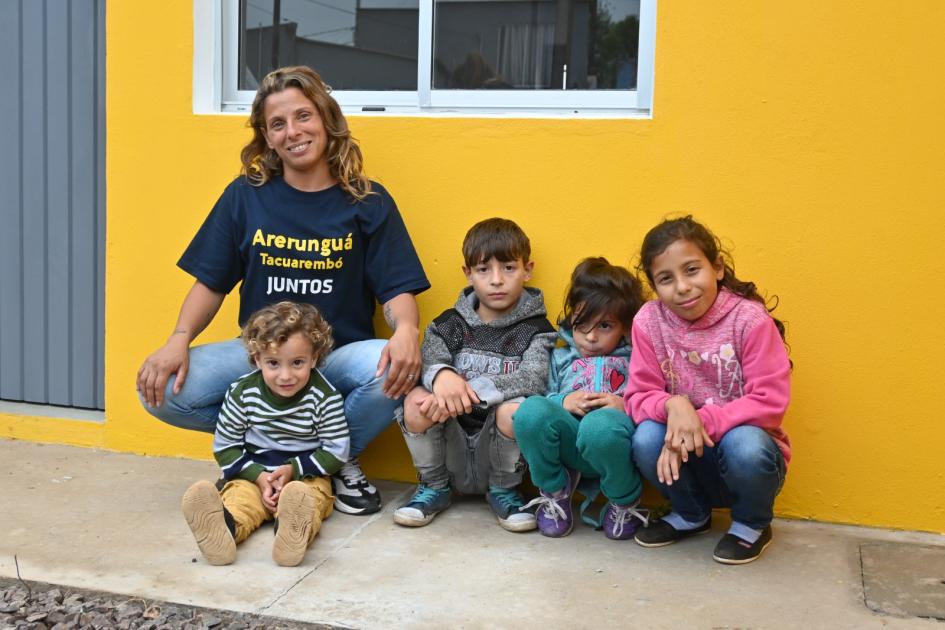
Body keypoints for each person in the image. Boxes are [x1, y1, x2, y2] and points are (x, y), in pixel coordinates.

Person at [136, 66, 429, 516]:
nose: (293, 132)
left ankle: (330, 457)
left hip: (335, 359)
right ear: (267, 138)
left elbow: (396, 287)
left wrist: (407, 327)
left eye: (303, 116)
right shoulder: (246, 197)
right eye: (278, 124)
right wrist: (179, 339)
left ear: (326, 119)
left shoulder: (368, 201)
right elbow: (211, 283)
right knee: (162, 391)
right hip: (262, 358)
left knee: (391, 365)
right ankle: (267, 451)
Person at [626, 215, 791, 564]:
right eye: (666, 279)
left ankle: (751, 523)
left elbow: (769, 403)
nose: (682, 287)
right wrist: (674, 406)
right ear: (654, 286)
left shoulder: (749, 320)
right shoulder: (648, 321)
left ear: (716, 267)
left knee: (745, 444)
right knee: (644, 437)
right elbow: (638, 396)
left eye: (691, 270)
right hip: (686, 458)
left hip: (744, 459)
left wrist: (698, 421)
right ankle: (690, 513)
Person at [392, 218, 557, 531]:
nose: (496, 280)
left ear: (528, 269)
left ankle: (505, 491)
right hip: (449, 442)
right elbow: (428, 361)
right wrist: (442, 379)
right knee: (416, 399)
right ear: (468, 273)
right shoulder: (448, 324)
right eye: (484, 270)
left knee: (518, 409)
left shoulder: (538, 330)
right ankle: (434, 487)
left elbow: (533, 378)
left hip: (498, 450)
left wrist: (466, 393)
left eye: (508, 267)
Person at [181, 301, 346, 567]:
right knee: (240, 500)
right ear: (257, 359)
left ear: (314, 358)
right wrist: (258, 477)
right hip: (254, 471)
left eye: (297, 363)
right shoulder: (241, 392)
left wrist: (293, 471)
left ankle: (292, 532)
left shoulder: (324, 397)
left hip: (305, 474)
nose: (285, 375)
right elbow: (226, 447)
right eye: (273, 363)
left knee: (309, 499)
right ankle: (225, 530)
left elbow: (336, 450)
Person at [514, 257, 648, 539]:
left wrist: (625, 406)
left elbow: (654, 397)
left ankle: (624, 500)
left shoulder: (637, 358)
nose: (589, 336)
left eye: (605, 326)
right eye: (582, 323)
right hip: (570, 441)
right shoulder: (561, 356)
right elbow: (542, 396)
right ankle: (554, 491)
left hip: (614, 444)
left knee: (600, 426)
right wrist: (563, 401)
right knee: (529, 411)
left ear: (624, 327)